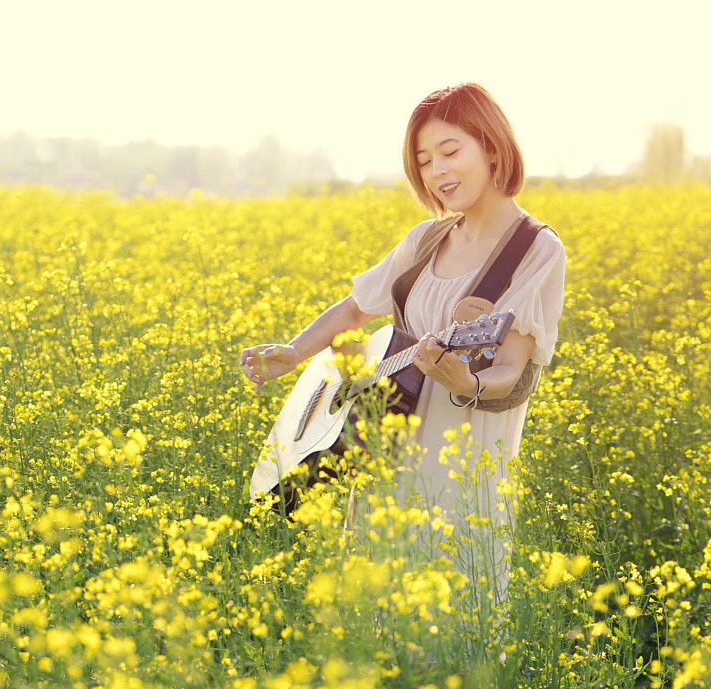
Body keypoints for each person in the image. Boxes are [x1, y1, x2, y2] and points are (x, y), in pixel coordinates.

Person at [238, 84, 566, 642]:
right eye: (424, 159)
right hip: (387, 448)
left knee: (451, 617)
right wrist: (295, 353)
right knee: (375, 620)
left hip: (462, 463)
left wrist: (467, 379)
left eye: (450, 150)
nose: (437, 170)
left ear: (491, 147)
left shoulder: (535, 249)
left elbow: (513, 366)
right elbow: (354, 308)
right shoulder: (426, 239)